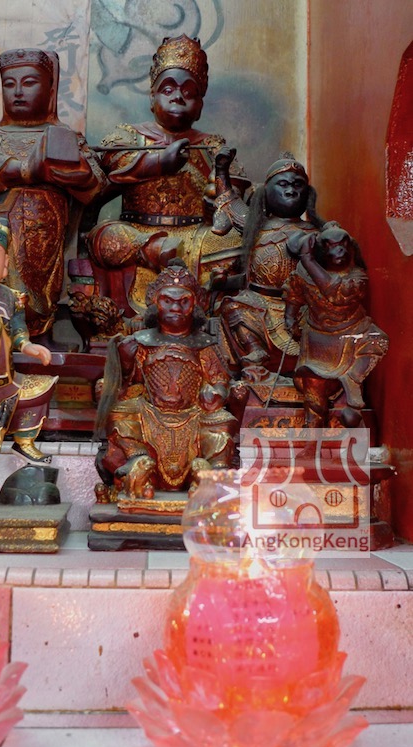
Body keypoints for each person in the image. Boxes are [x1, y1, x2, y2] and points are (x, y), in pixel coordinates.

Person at [75, 34, 249, 328]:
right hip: (137, 234)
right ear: (151, 98)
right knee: (106, 236)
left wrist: (217, 201)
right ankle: (155, 250)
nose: (177, 96)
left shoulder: (213, 146)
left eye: (189, 92)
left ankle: (203, 308)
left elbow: (236, 204)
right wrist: (158, 163)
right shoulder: (127, 136)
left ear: (200, 105)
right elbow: (103, 179)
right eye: (167, 89)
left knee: (237, 243)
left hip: (196, 237)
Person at [94, 259, 238, 502]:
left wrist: (216, 393)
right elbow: (125, 387)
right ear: (155, 302)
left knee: (223, 423)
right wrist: (126, 363)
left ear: (196, 304)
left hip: (193, 414)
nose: (176, 308)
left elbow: (220, 380)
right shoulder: (141, 342)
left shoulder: (204, 344)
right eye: (168, 301)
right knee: (118, 413)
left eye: (184, 302)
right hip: (149, 412)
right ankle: (137, 458)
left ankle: (211, 470)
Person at [0, 48, 107, 345]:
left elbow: (96, 186)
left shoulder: (66, 136)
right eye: (9, 84)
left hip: (45, 232)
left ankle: (40, 336)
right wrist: (24, 170)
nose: (18, 91)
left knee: (40, 290)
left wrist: (78, 175)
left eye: (29, 83)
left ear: (51, 89)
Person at [212, 150, 324, 379]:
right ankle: (255, 352)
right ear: (265, 192)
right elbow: (230, 202)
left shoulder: (318, 233)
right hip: (258, 304)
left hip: (301, 309)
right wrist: (222, 170)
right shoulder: (255, 225)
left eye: (298, 185)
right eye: (283, 184)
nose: (291, 190)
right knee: (234, 308)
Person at [283, 223, 389, 427]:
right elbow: (294, 292)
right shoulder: (304, 272)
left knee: (378, 341)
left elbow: (336, 294)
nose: (338, 251)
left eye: (342, 245)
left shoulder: (357, 277)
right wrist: (290, 317)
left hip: (353, 332)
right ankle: (313, 428)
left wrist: (308, 260)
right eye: (330, 246)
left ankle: (353, 383)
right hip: (317, 339)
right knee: (313, 385)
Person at [0, 217, 57, 464]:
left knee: (38, 390)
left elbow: (18, 330)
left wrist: (29, 347)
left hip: (4, 378)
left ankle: (24, 442)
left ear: (5, 264)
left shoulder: (12, 298)